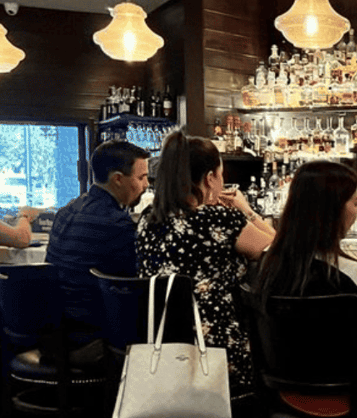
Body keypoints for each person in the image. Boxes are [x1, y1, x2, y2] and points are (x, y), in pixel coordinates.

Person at [253, 160, 357, 416]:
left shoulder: (264, 264)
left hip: (280, 397)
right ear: (333, 209)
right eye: (355, 203)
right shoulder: (350, 273)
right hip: (346, 402)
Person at [137, 132, 274, 395]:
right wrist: (247, 211)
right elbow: (281, 250)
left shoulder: (148, 219)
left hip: (159, 342)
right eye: (220, 175)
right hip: (215, 351)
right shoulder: (219, 219)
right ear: (210, 178)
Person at [46, 140, 150, 357]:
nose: (147, 185)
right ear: (118, 180)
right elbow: (137, 284)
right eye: (141, 177)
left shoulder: (65, 212)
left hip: (53, 334)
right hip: (90, 341)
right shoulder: (116, 225)